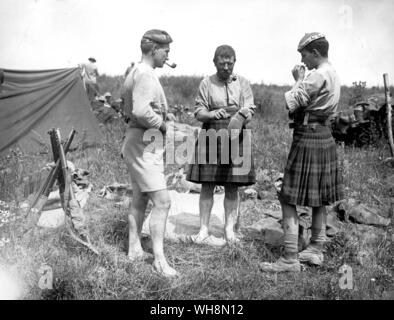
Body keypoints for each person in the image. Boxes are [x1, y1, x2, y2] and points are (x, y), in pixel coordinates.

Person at [260, 33, 343, 272]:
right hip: (324, 135)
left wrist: (298, 79)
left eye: (304, 54)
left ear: (315, 52)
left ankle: (289, 259)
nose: (302, 59)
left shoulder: (316, 75)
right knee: (319, 196)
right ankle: (316, 249)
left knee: (287, 196)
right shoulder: (334, 73)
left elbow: (291, 103)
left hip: (308, 137)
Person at [121, 29, 178, 277]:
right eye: (166, 50)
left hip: (137, 140)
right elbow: (142, 111)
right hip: (144, 145)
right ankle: (159, 260)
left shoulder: (135, 71)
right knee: (163, 202)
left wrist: (164, 114)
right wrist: (164, 124)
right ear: (154, 49)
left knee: (140, 198)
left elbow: (131, 111)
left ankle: (134, 249)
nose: (168, 55)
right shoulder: (145, 74)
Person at [186, 45, 256, 245]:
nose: (226, 67)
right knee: (207, 184)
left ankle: (229, 231)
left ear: (235, 61)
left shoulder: (243, 83)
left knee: (232, 185)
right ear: (214, 62)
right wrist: (211, 114)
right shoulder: (206, 83)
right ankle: (203, 229)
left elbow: (250, 108)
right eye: (222, 63)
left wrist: (243, 114)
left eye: (230, 63)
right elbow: (198, 111)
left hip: (237, 134)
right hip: (212, 133)